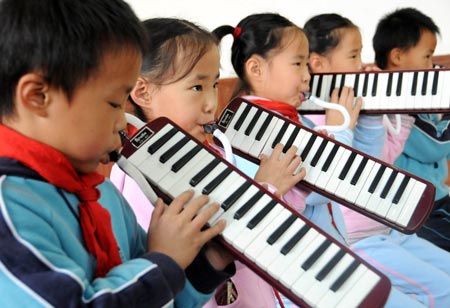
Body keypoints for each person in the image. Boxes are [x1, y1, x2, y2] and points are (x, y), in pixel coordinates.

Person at [0, 1, 237, 307]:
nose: (123, 122)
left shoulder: (103, 194)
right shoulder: (9, 209)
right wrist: (164, 259)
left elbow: (161, 294)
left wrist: (210, 260)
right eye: (114, 104)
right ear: (38, 97)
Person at [109, 18, 305, 308]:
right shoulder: (134, 179)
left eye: (213, 84)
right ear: (143, 92)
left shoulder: (215, 153)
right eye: (197, 88)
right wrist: (268, 188)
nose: (211, 103)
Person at [305, 12, 450, 307]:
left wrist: (375, 113)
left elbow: (375, 166)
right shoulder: (311, 115)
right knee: (441, 293)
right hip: (357, 239)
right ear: (318, 64)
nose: (360, 65)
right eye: (353, 55)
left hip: (387, 227)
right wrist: (342, 125)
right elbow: (336, 183)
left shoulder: (353, 102)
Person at [373, 7, 450, 253]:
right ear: (397, 56)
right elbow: (434, 147)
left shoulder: (419, 96)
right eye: (427, 56)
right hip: (416, 210)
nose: (431, 65)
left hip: (438, 198)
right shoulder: (396, 101)